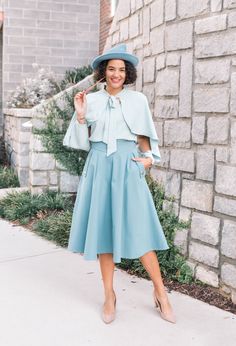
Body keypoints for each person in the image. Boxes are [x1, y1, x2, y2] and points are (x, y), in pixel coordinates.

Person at [63, 44, 176, 324]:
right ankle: (109, 295)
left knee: (140, 229)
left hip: (128, 165)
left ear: (128, 73)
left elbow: (143, 135)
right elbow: (81, 142)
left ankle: (161, 293)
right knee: (104, 231)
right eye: (111, 69)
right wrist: (80, 114)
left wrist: (149, 159)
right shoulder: (90, 101)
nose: (116, 74)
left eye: (122, 70)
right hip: (100, 165)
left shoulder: (137, 100)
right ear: (104, 72)